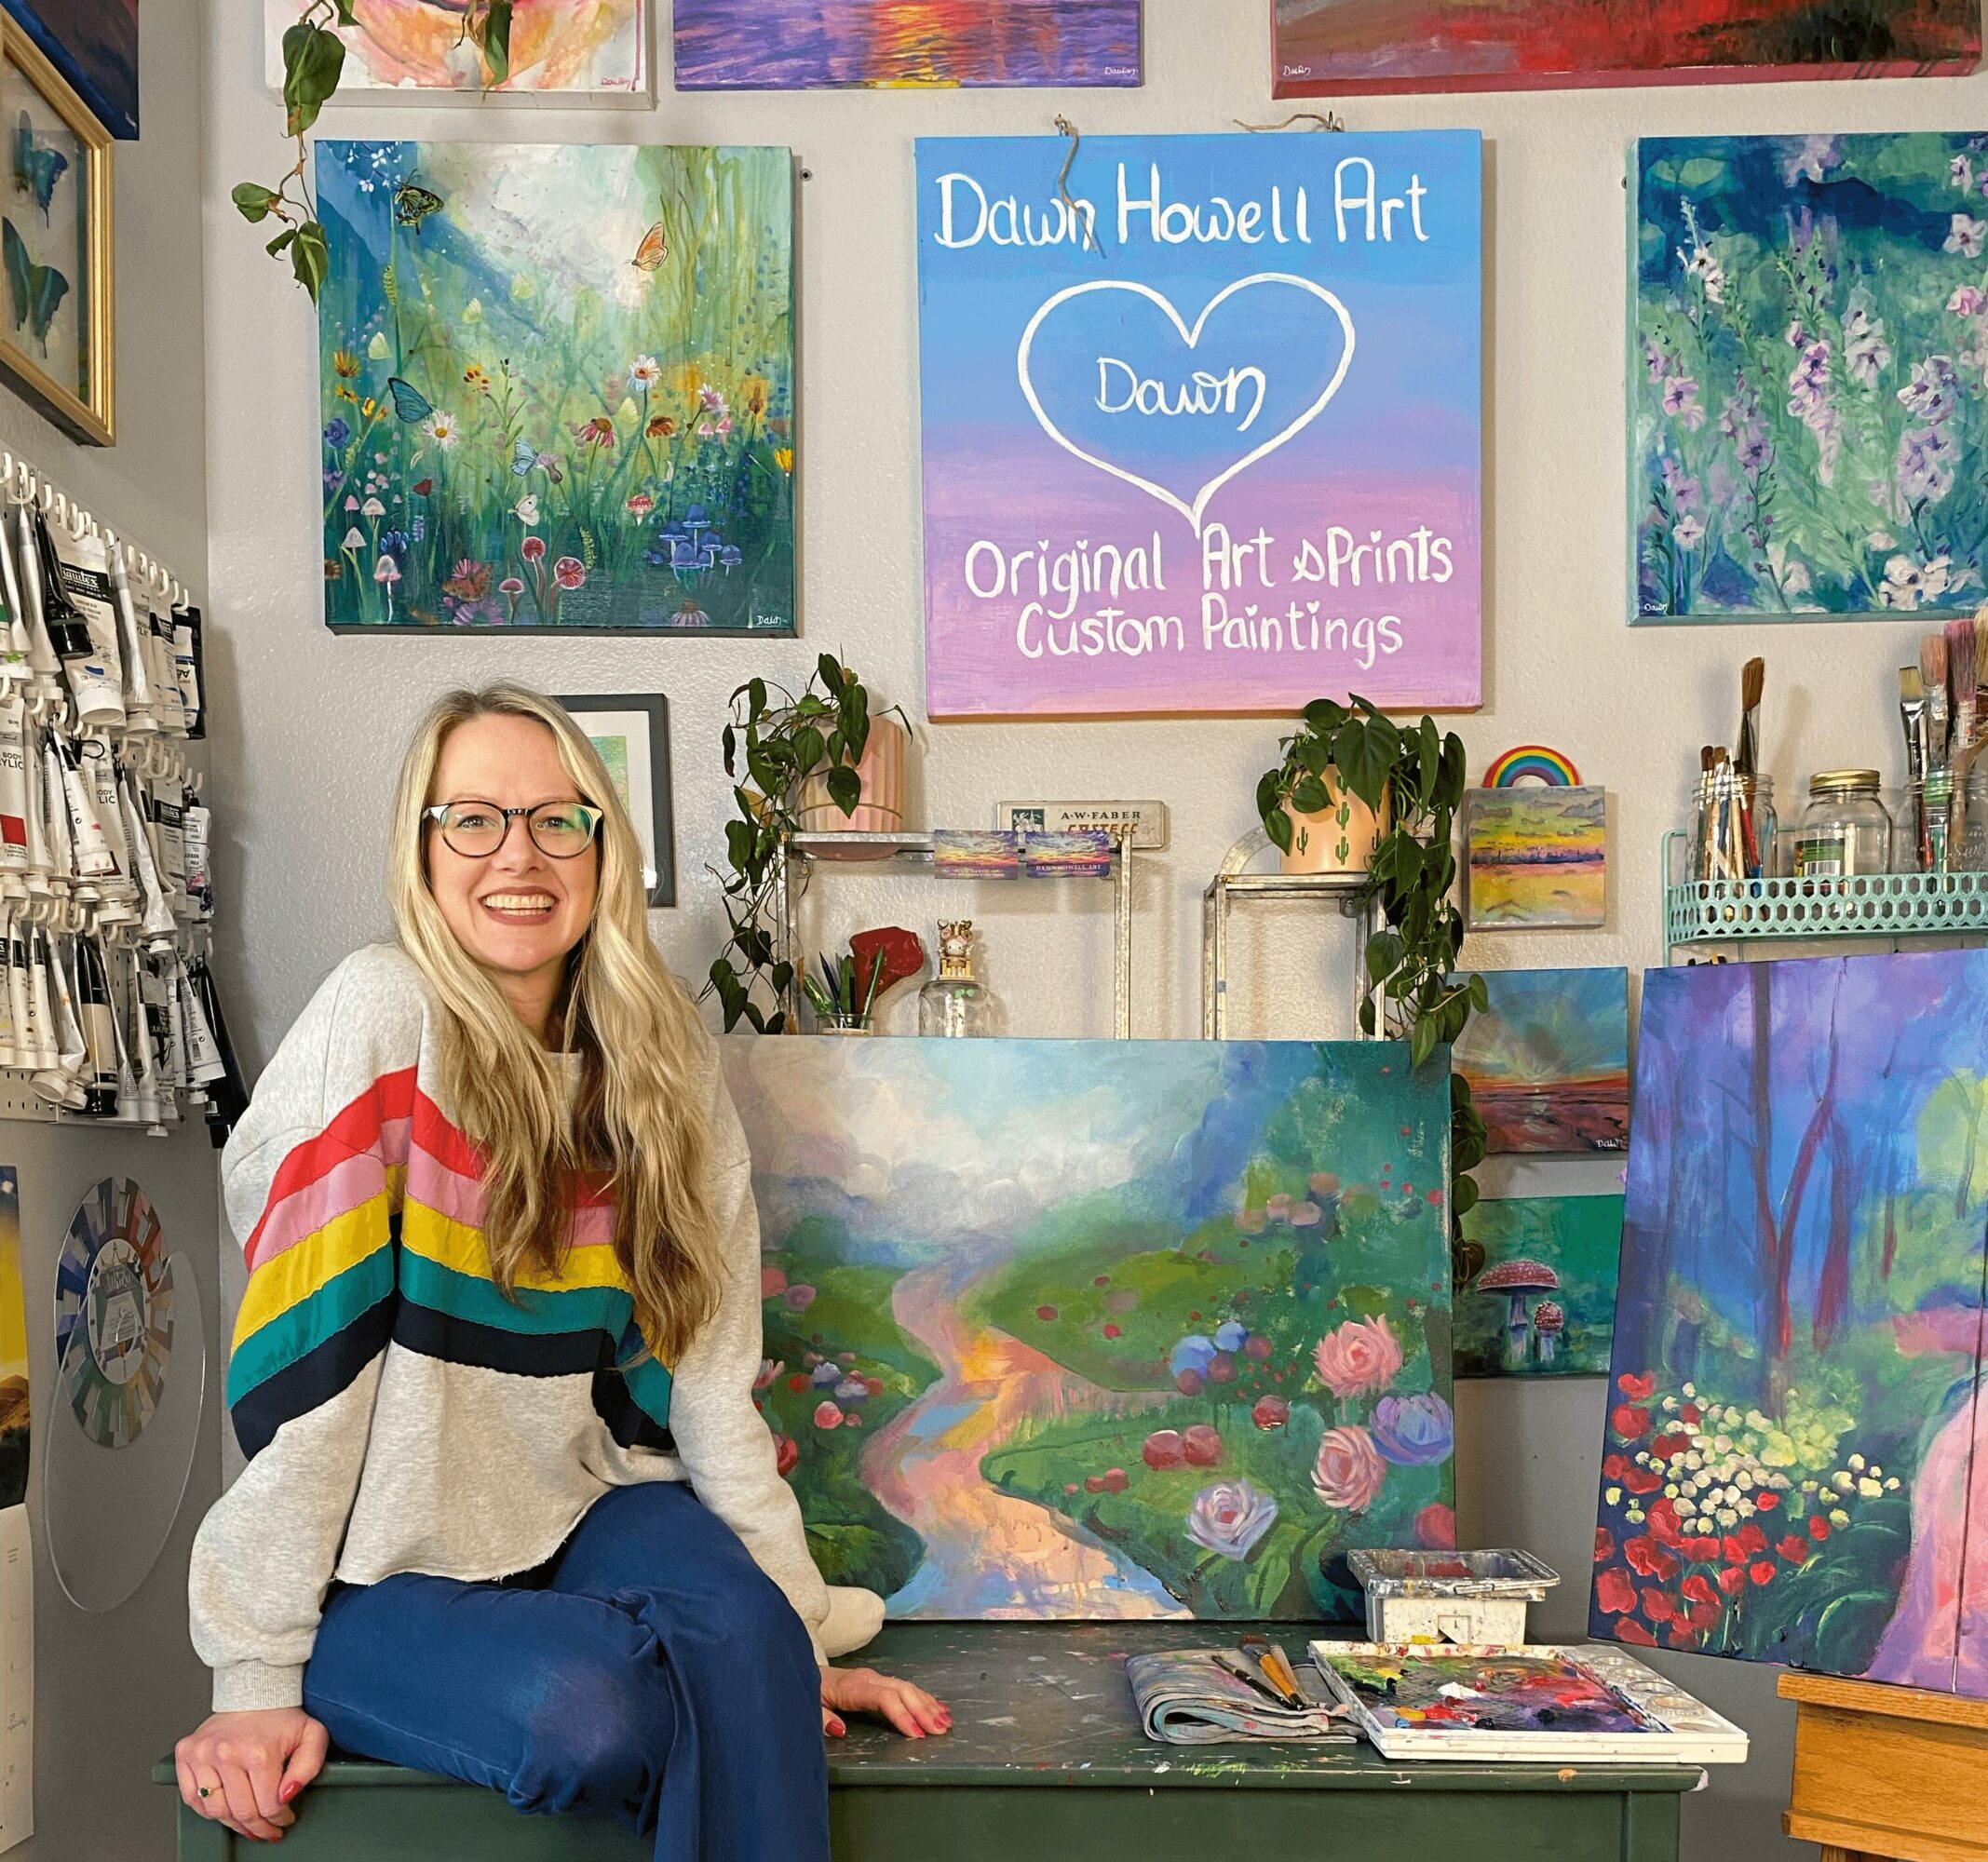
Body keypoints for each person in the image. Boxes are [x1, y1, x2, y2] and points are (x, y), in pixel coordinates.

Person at [175, 684, 948, 1854]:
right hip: (378, 1562)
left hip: (589, 1502)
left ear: (601, 842)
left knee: (752, 1639)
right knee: (591, 1715)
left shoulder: (661, 1050)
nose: (517, 854)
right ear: (422, 846)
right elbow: (307, 1373)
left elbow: (706, 1375)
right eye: (472, 819)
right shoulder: (381, 1013)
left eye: (555, 818)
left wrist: (791, 1647)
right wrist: (252, 1670)